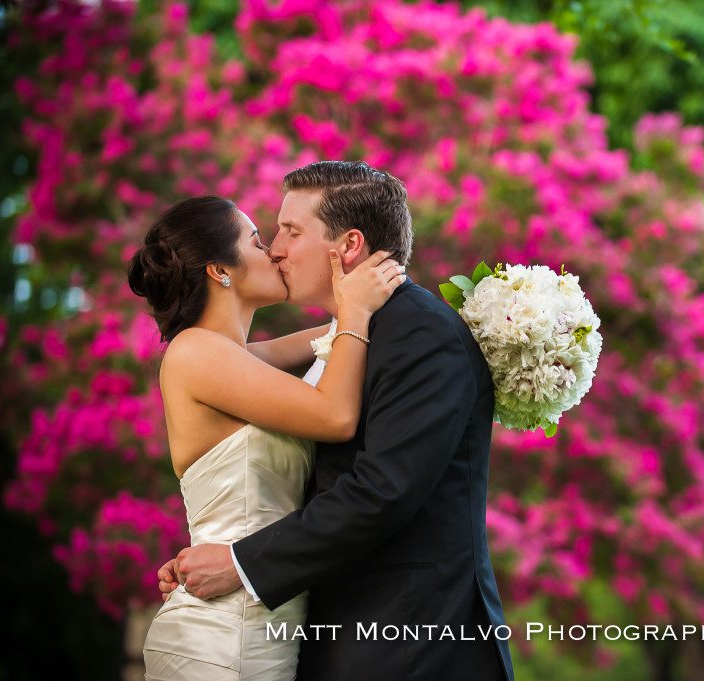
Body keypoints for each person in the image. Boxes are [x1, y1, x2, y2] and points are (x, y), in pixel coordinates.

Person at [156, 161, 514, 681]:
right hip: (322, 633)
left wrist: (239, 560)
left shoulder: (419, 335)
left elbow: (381, 491)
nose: (276, 248)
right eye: (267, 236)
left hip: (410, 644)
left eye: (290, 231)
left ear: (347, 246)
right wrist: (217, 544)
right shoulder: (350, 335)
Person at [128, 193, 406, 680]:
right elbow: (336, 414)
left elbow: (335, 337)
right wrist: (356, 313)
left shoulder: (241, 358)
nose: (275, 251)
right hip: (218, 635)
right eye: (257, 241)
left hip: (265, 621)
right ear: (221, 271)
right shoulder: (195, 353)